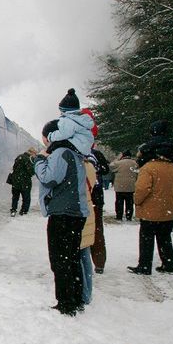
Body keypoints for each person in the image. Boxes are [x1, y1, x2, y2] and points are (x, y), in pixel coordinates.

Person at [35, 120, 89, 316]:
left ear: (51, 136)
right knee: (72, 257)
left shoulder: (60, 153)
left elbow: (49, 179)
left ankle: (66, 303)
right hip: (74, 212)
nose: (43, 140)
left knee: (60, 260)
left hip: (63, 213)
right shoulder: (74, 153)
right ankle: (75, 299)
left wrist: (39, 161)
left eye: (44, 136)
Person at [128, 122, 173, 275]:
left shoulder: (148, 168)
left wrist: (136, 201)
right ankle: (168, 264)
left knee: (147, 238)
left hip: (150, 210)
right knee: (165, 237)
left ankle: (144, 265)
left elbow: (142, 189)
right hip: (167, 208)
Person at [46, 89, 95, 156]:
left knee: (56, 143)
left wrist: (51, 136)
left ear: (64, 110)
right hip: (85, 145)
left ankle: (48, 156)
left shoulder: (67, 120)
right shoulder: (80, 117)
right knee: (61, 141)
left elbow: (64, 134)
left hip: (78, 146)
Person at [80, 156, 98, 304]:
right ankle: (87, 293)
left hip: (77, 213)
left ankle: (83, 295)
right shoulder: (90, 166)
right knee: (84, 253)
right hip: (87, 210)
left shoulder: (77, 165)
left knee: (78, 255)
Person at [89, 147, 109, 273]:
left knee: (80, 230)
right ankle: (99, 262)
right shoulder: (96, 154)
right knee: (97, 230)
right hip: (96, 197)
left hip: (83, 197)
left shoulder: (74, 152)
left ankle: (81, 260)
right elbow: (106, 169)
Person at [109, 150, 138, 221]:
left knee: (119, 202)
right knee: (129, 202)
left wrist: (117, 158)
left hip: (120, 186)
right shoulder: (135, 163)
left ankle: (119, 216)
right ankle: (129, 215)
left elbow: (111, 166)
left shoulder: (119, 163)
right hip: (131, 186)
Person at [9, 148, 37, 217]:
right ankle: (23, 211)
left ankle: (13, 210)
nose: (35, 156)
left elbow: (14, 167)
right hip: (25, 182)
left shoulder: (19, 157)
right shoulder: (29, 159)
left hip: (15, 181)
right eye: (35, 154)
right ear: (32, 153)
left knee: (15, 197)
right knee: (26, 198)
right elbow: (31, 171)